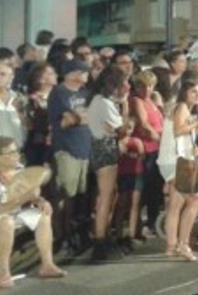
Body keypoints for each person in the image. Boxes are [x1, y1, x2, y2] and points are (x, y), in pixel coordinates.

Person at [0, 137, 66, 288]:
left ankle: (47, 265)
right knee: (6, 222)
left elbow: (30, 193)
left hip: (14, 211)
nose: (17, 154)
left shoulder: (19, 169)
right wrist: (24, 198)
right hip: (3, 215)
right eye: (12, 152)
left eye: (16, 150)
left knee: (43, 214)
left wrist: (40, 201)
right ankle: (2, 272)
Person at [47, 59, 92, 254]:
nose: (87, 75)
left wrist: (79, 117)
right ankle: (62, 237)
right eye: (83, 71)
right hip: (66, 148)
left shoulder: (86, 93)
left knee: (79, 195)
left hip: (85, 148)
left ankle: (76, 233)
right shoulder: (59, 93)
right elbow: (65, 121)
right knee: (65, 194)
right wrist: (79, 117)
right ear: (72, 73)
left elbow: (88, 116)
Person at [86, 67, 130, 262]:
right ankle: (100, 240)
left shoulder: (98, 100)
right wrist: (126, 106)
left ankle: (103, 236)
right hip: (104, 150)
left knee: (108, 195)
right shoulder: (103, 103)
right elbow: (123, 129)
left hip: (101, 148)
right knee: (105, 196)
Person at [164, 81, 198, 262]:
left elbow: (181, 133)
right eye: (193, 92)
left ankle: (171, 246)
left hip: (179, 159)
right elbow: (179, 130)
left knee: (176, 204)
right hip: (178, 162)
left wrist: (194, 146)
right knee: (195, 199)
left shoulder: (183, 108)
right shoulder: (182, 107)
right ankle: (183, 244)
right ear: (184, 92)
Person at [130, 70, 165, 237]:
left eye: (150, 85)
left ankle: (153, 221)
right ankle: (144, 224)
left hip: (157, 149)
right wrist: (159, 135)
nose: (147, 89)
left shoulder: (151, 101)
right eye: (143, 85)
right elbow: (144, 125)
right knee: (147, 189)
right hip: (146, 149)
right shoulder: (136, 101)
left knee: (156, 188)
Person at [23, 63, 56, 166]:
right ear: (40, 79)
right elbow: (30, 124)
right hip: (39, 146)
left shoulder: (59, 95)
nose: (55, 75)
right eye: (50, 73)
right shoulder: (31, 100)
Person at [0, 65, 25, 150]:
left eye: (2, 74)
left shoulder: (19, 98)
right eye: (1, 74)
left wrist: (20, 111)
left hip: (17, 149)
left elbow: (28, 125)